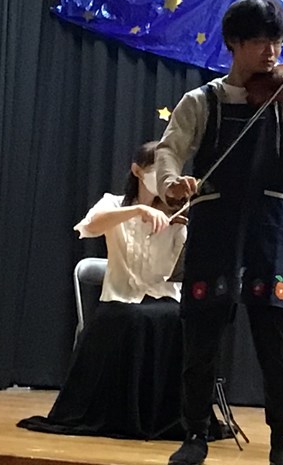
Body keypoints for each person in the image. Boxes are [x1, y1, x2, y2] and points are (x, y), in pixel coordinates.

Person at [155, 0, 283, 465]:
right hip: (215, 225)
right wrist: (171, 183)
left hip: (271, 226)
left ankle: (282, 439)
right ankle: (194, 433)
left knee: (275, 336)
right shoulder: (201, 101)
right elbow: (170, 150)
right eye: (260, 42)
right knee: (202, 334)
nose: (272, 53)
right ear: (233, 43)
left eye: (277, 42)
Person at [19, 141, 187, 440]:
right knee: (132, 319)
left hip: (163, 295)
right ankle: (118, 413)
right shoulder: (114, 203)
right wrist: (136, 211)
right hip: (120, 297)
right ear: (137, 171)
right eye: (156, 170)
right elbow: (91, 226)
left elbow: (181, 267)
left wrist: (185, 226)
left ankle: (168, 416)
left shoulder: (176, 214)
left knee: (177, 319)